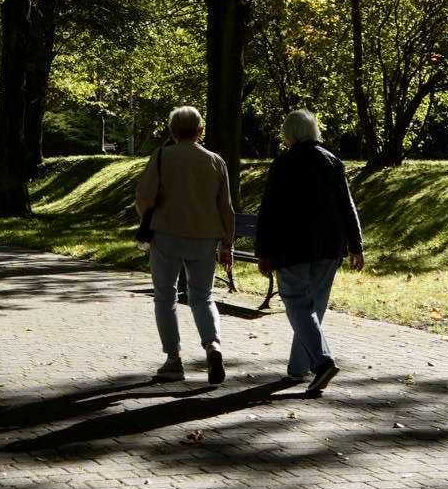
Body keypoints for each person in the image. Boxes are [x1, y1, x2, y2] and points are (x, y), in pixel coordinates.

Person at [255, 109, 365, 395]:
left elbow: (269, 212)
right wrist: (356, 246)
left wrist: (264, 252)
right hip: (329, 247)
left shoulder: (283, 164)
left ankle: (322, 361)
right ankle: (297, 369)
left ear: (288, 134)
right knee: (312, 308)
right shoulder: (332, 162)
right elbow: (347, 206)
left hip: (292, 248)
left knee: (296, 304)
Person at [134, 105, 235, 384]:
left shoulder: (162, 157)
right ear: (200, 132)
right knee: (203, 296)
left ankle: (173, 359)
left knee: (165, 297)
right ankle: (213, 345)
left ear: (172, 131)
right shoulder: (216, 161)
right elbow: (225, 207)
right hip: (204, 237)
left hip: (166, 234)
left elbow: (144, 196)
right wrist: (227, 243)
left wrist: (147, 217)